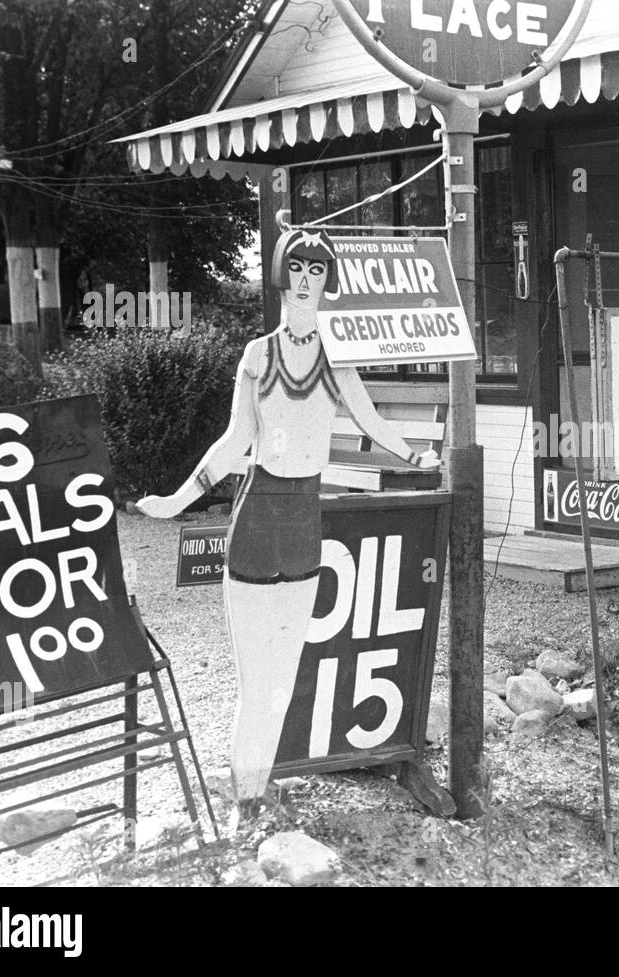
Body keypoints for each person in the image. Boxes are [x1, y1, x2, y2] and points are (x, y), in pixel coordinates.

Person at [137, 226, 439, 827]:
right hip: (257, 520)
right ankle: (245, 796)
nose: (306, 281)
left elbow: (371, 419)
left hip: (306, 520)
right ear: (281, 278)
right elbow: (233, 442)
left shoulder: (335, 357)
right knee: (255, 675)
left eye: (317, 271)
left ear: (328, 282)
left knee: (285, 676)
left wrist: (413, 457)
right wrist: (177, 501)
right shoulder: (257, 355)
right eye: (296, 270)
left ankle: (258, 785)